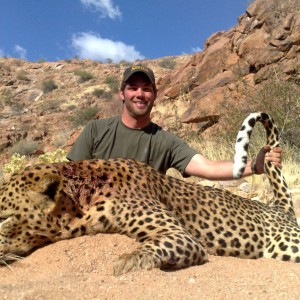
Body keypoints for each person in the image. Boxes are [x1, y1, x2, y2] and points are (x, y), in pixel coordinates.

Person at [67, 65, 282, 180]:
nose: (139, 94)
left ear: (154, 94)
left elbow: (208, 168)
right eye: (133, 88)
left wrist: (254, 166)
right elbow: (71, 177)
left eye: (146, 88)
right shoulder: (95, 130)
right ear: (122, 94)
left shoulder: (165, 141)